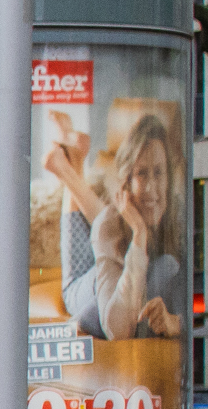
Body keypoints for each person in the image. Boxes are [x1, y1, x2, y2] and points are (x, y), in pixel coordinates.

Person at [50, 107, 185, 340]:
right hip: (86, 283)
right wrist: (140, 233)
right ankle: (66, 169)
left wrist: (177, 322)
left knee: (162, 262)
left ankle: (74, 163)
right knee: (108, 223)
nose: (152, 186)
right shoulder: (108, 225)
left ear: (169, 177)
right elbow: (118, 330)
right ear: (127, 182)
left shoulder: (177, 214)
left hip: (113, 249)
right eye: (142, 173)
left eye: (159, 172)